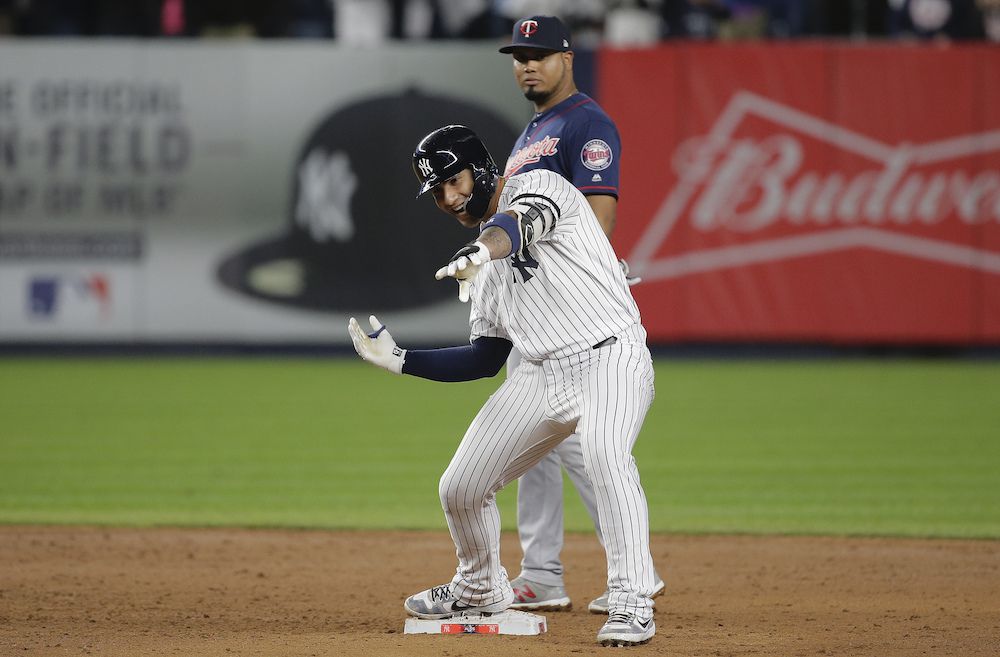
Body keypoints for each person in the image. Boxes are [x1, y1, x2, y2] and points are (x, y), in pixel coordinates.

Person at [348, 124, 658, 646]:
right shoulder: (483, 266)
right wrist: (401, 360)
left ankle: (631, 602)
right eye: (438, 192)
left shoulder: (541, 186)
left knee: (606, 455)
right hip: (541, 373)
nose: (449, 198)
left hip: (612, 356)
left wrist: (484, 252)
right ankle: (480, 588)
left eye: (455, 180)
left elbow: (521, 224)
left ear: (482, 167)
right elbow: (486, 358)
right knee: (461, 487)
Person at [497, 14, 664, 615]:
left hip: (573, 316)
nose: (528, 63)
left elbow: (599, 215)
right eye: (519, 55)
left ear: (568, 57)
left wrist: (568, 283)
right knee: (543, 446)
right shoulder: (532, 133)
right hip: (534, 313)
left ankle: (618, 571)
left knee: (583, 445)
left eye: (540, 53)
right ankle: (544, 573)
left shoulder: (586, 123)